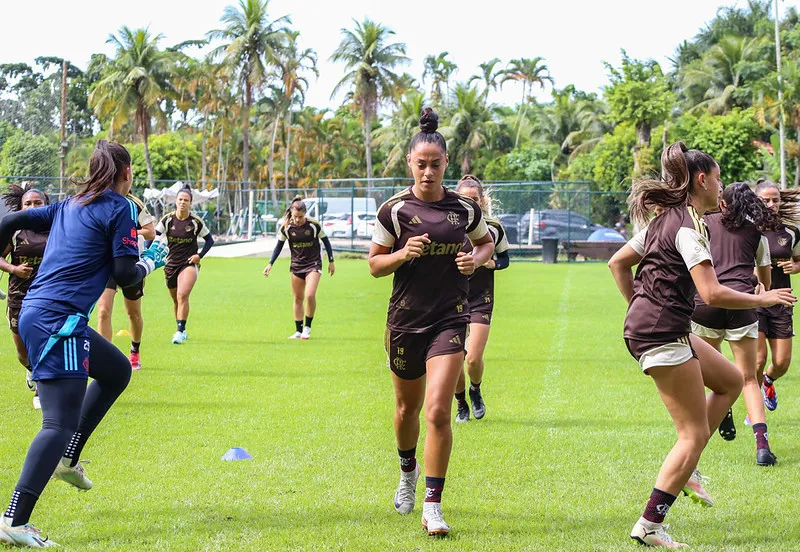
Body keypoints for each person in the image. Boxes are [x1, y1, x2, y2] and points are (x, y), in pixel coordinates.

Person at [608, 142, 795, 548]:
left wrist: (639, 306)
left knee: (730, 381)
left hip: (661, 327)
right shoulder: (688, 228)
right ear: (702, 180)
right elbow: (711, 294)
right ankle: (650, 525)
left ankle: (688, 470)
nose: (723, 185)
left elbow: (617, 263)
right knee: (691, 436)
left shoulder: (669, 219)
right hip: (660, 333)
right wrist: (763, 298)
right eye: (720, 177)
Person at [0, 140, 168, 547]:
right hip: (60, 323)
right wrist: (153, 258)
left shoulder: (66, 206)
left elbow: (7, 223)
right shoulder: (121, 207)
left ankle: (68, 457)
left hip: (43, 314)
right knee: (57, 423)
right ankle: (13, 520)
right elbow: (126, 273)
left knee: (116, 371)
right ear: (126, 174)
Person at [369, 108, 494, 537]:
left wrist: (472, 261)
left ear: (446, 164)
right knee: (407, 408)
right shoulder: (395, 211)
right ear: (410, 163)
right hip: (406, 321)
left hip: (450, 319)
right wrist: (402, 255)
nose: (427, 171)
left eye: (435, 164)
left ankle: (433, 505)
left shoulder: (463, 209)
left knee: (438, 411)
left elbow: (486, 243)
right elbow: (373, 265)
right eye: (420, 164)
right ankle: (408, 470)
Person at [689, 182, 778, 466]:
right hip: (741, 306)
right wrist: (753, 285)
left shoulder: (702, 224)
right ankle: (762, 447)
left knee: (711, 373)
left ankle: (721, 409)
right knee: (749, 379)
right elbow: (765, 283)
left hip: (705, 306)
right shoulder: (757, 236)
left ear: (722, 203)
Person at [451, 175, 510, 423]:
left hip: (480, 299)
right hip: (450, 299)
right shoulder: (448, 225)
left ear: (482, 200)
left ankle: (475, 390)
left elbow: (505, 259)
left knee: (473, 358)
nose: (470, 203)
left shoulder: (493, 227)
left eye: (474, 199)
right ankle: (461, 402)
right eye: (465, 199)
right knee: (454, 359)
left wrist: (491, 262)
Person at [0, 184, 50, 409]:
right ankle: (32, 371)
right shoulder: (14, 230)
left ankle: (42, 387)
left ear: (46, 205)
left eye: (37, 203)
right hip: (19, 295)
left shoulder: (57, 228)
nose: (32, 207)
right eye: (28, 203)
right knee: (22, 352)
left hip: (48, 295)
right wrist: (13, 269)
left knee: (44, 342)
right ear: (21, 207)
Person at [95, 192, 156, 369]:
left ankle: (135, 350)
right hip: (106, 263)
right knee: (103, 311)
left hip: (130, 261)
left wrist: (125, 232)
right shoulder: (100, 201)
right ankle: (106, 360)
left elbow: (150, 232)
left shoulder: (134, 203)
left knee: (133, 313)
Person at [754, 180, 800, 413]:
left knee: (781, 363)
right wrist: (755, 271)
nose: (771, 204)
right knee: (758, 359)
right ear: (756, 200)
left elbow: (798, 259)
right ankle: (755, 411)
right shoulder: (746, 227)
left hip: (782, 300)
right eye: (766, 200)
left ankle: (768, 381)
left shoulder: (791, 230)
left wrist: (796, 266)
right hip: (755, 300)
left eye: (775, 200)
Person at [263, 197, 335, 339]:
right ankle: (298, 331)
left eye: (300, 217)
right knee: (297, 298)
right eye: (295, 217)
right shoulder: (286, 228)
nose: (297, 220)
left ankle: (307, 328)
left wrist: (331, 261)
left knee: (309, 295)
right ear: (291, 213)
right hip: (296, 266)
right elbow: (278, 247)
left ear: (305, 214)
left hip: (313, 264)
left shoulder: (314, 225)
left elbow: (326, 241)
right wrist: (270, 263)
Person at [155, 186, 214, 344]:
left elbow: (210, 240)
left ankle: (180, 332)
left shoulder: (195, 222)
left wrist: (199, 255)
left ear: (190, 203)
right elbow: (154, 237)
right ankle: (181, 329)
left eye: (186, 200)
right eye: (180, 199)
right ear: (176, 201)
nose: (182, 202)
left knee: (182, 295)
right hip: (170, 264)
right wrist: (150, 252)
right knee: (176, 300)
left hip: (188, 263)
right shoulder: (167, 220)